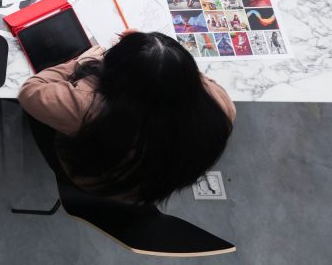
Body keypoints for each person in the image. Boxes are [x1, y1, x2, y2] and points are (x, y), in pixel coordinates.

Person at [18, 31, 235, 204]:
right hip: (148, 184)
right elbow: (193, 78)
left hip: (96, 181)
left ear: (116, 79)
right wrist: (155, 55)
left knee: (35, 115)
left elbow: (30, 91)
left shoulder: (87, 106)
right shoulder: (220, 106)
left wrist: (83, 60)